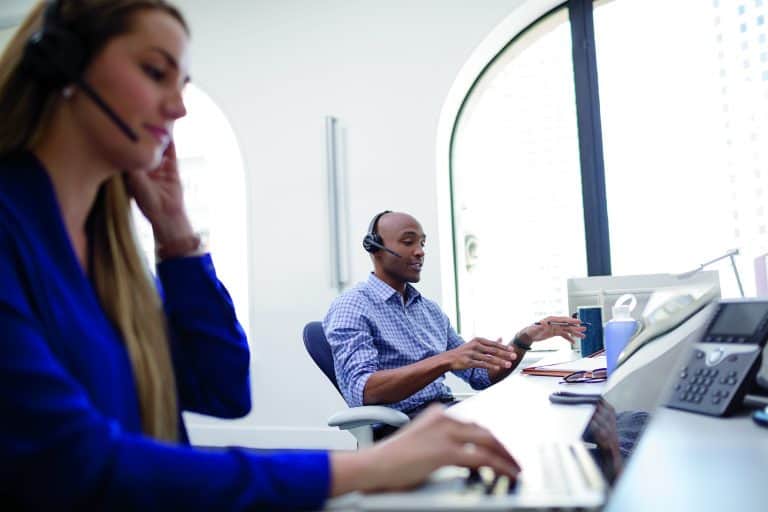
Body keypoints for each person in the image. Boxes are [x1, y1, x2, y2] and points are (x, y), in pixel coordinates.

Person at [0, 1, 520, 510]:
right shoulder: (13, 234)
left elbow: (223, 388)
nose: (179, 106)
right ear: (62, 61)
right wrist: (363, 470)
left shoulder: (114, 260)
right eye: (155, 71)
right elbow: (69, 462)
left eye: (180, 86)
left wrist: (178, 239)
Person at [324, 211, 586, 437]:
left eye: (423, 243)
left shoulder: (429, 311)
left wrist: (523, 339)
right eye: (408, 242)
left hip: (444, 414)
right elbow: (364, 391)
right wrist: (446, 360)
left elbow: (480, 376)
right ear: (375, 248)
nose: (420, 251)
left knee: (564, 417)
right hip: (405, 430)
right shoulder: (352, 307)